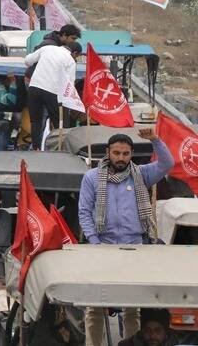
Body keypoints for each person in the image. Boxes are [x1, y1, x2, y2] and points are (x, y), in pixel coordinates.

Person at [79, 129, 174, 345]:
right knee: (95, 307)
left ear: (131, 154)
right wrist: (94, 243)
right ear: (107, 153)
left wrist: (155, 140)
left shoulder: (141, 174)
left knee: (132, 308)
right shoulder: (91, 177)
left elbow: (167, 164)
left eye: (125, 153)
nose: (120, 158)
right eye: (116, 153)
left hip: (134, 249)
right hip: (102, 248)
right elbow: (84, 212)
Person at [24, 41, 81, 149]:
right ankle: (59, 148)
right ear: (75, 53)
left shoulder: (47, 48)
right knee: (60, 125)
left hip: (34, 88)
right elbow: (69, 84)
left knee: (35, 121)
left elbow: (27, 61)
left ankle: (36, 148)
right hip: (53, 93)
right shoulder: (70, 61)